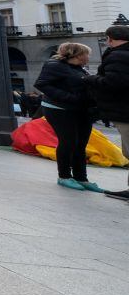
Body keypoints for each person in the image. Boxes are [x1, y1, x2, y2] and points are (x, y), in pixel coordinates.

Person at [34, 42, 102, 193]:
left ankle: (81, 178)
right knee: (68, 142)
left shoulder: (79, 68)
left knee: (81, 145)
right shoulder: (54, 65)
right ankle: (64, 176)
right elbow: (42, 84)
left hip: (81, 109)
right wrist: (69, 98)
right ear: (77, 55)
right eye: (86, 54)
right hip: (59, 109)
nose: (88, 57)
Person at [83, 25, 129, 200]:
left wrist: (90, 79)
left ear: (110, 39)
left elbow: (114, 82)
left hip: (124, 110)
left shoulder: (118, 55)